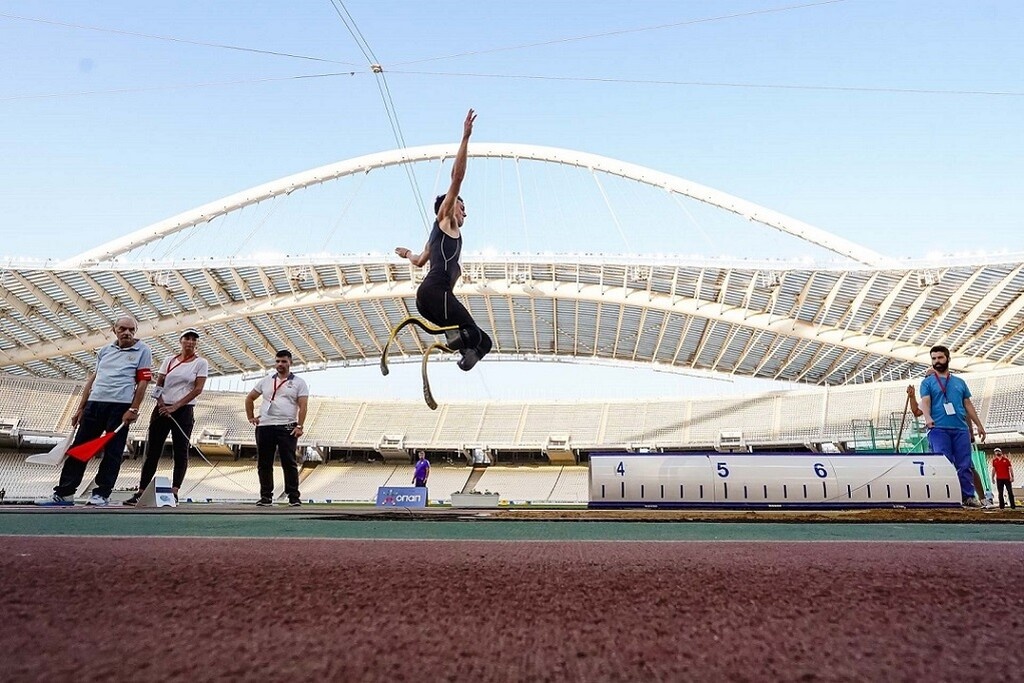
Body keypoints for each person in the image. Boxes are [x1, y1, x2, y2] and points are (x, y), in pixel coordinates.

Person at [394, 108, 492, 372]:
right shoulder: (445, 220)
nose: (465, 212)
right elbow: (457, 178)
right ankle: (459, 341)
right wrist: (465, 138)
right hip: (436, 295)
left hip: (427, 302)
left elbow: (418, 262)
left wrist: (405, 254)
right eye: (462, 207)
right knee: (478, 335)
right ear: (448, 208)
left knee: (482, 342)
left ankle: (460, 346)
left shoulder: (432, 241)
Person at [36, 315, 152, 507]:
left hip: (120, 406)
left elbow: (142, 382)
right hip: (95, 404)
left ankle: (102, 494)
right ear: (113, 329)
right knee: (79, 449)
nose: (127, 333)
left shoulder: (143, 350)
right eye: (123, 328)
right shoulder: (105, 350)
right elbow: (93, 379)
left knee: (113, 451)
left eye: (131, 330)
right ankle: (64, 493)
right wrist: (81, 407)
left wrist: (134, 408)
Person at [124, 328, 208, 506]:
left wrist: (176, 406)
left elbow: (197, 389)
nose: (190, 342)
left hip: (183, 410)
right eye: (187, 338)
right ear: (181, 340)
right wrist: (162, 404)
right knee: (153, 450)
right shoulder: (169, 361)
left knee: (180, 451)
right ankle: (141, 491)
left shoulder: (201, 363)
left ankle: (175, 491)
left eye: (194, 339)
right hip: (162, 409)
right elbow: (159, 383)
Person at [918, 345, 987, 507]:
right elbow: (925, 402)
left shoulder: (959, 382)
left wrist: (978, 425)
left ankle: (968, 496)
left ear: (948, 358)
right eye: (934, 358)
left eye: (940, 358)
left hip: (960, 428)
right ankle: (945, 496)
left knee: (965, 464)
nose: (937, 361)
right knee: (944, 462)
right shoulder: (927, 382)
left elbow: (967, 404)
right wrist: (927, 417)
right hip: (938, 428)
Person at [244, 350, 309, 507]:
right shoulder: (265, 381)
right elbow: (249, 398)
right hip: (265, 425)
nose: (280, 364)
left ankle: (293, 496)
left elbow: (303, 405)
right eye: (278, 361)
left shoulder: (299, 382)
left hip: (287, 425)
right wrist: (250, 416)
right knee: (264, 463)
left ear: (290, 363)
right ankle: (266, 496)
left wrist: (300, 425)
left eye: (284, 361)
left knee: (289, 461)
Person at [907, 383, 989, 503]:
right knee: (942, 464)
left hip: (957, 433)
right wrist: (912, 397)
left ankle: (979, 497)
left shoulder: (953, 393)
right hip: (939, 434)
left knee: (967, 466)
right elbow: (916, 411)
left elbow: (965, 412)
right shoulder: (928, 398)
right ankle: (946, 495)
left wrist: (971, 432)